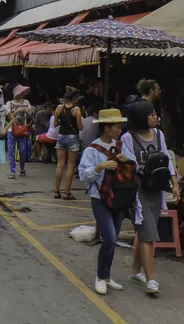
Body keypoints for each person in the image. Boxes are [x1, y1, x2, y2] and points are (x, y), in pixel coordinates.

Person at [122, 83, 179, 296]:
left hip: (157, 190)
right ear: (140, 117)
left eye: (155, 114)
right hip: (139, 192)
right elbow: (128, 164)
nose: (155, 117)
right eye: (151, 114)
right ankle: (151, 279)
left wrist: (175, 182)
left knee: (144, 231)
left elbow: (166, 159)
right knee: (147, 234)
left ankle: (136, 271)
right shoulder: (127, 138)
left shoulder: (159, 135)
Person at [78, 108, 131, 295]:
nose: (120, 129)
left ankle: (107, 276)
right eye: (118, 126)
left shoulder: (122, 146)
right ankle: (100, 277)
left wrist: (126, 161)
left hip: (119, 198)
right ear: (108, 128)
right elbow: (83, 174)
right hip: (100, 198)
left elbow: (134, 167)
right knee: (108, 238)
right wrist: (100, 167)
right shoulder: (92, 149)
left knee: (113, 238)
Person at [53, 87, 84, 200]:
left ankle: (56, 191)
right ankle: (67, 192)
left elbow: (55, 123)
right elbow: (80, 127)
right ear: (75, 98)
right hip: (72, 138)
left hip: (61, 136)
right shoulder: (76, 110)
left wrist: (63, 121)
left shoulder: (59, 108)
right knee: (70, 165)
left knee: (60, 164)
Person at [6, 84, 32, 179]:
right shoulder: (9, 103)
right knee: (11, 151)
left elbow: (30, 116)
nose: (22, 94)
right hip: (11, 130)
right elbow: (8, 116)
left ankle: (22, 168)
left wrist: (25, 111)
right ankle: (12, 171)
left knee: (22, 150)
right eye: (20, 92)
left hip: (23, 129)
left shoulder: (26, 102)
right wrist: (17, 112)